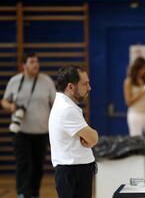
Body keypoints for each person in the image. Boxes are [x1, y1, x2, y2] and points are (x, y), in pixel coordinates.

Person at [1, 53, 56, 198]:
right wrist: (11, 107)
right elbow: (4, 101)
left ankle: (33, 193)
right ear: (24, 66)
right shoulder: (14, 81)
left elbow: (56, 103)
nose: (35, 64)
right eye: (32, 62)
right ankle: (22, 193)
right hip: (21, 131)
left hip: (41, 131)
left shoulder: (47, 81)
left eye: (37, 61)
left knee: (37, 165)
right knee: (22, 163)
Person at [48, 65, 98, 198]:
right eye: (85, 84)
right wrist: (92, 136)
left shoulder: (64, 104)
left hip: (74, 171)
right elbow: (93, 139)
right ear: (70, 87)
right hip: (73, 172)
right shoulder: (67, 109)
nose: (89, 88)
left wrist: (87, 135)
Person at [123, 57, 145, 144]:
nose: (143, 71)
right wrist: (142, 92)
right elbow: (128, 102)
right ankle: (139, 158)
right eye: (142, 69)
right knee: (136, 142)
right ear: (137, 68)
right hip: (135, 114)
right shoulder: (128, 81)